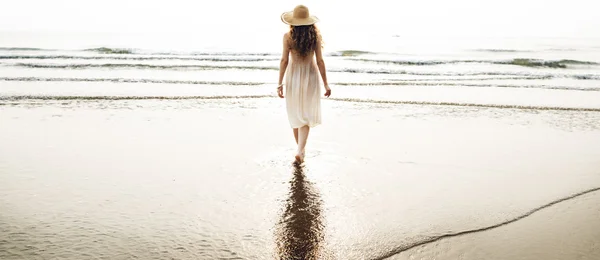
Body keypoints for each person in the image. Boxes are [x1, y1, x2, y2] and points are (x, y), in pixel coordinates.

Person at [278, 5, 331, 163]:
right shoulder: (315, 36)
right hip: (311, 75)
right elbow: (320, 61)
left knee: (295, 114)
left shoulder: (287, 36)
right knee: (305, 115)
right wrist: (326, 84)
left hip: (293, 76)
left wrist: (279, 83)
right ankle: (300, 151)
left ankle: (300, 151)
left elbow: (284, 61)